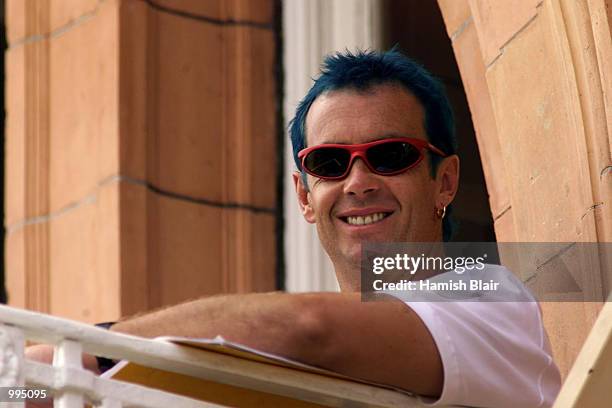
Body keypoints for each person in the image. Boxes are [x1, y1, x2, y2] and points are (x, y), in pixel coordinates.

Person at [26, 49, 561, 406]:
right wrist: (20, 388)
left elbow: (305, 327)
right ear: (305, 196)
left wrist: (88, 345)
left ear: (444, 182)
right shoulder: (263, 364)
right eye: (329, 163)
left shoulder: (492, 302)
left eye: (390, 155)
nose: (358, 181)